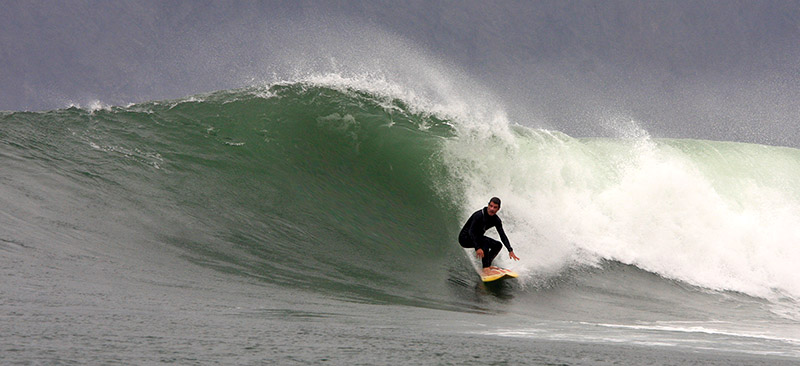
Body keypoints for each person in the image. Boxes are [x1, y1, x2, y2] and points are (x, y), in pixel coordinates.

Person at [458, 197, 520, 275]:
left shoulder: (496, 220)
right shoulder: (479, 215)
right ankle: (486, 268)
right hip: (465, 238)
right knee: (485, 242)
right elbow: (471, 232)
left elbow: (502, 235)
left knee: (497, 245)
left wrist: (510, 250)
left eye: (495, 207)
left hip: (477, 238)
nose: (492, 209)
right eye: (490, 206)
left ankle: (488, 264)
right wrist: (477, 247)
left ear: (498, 209)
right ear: (488, 205)